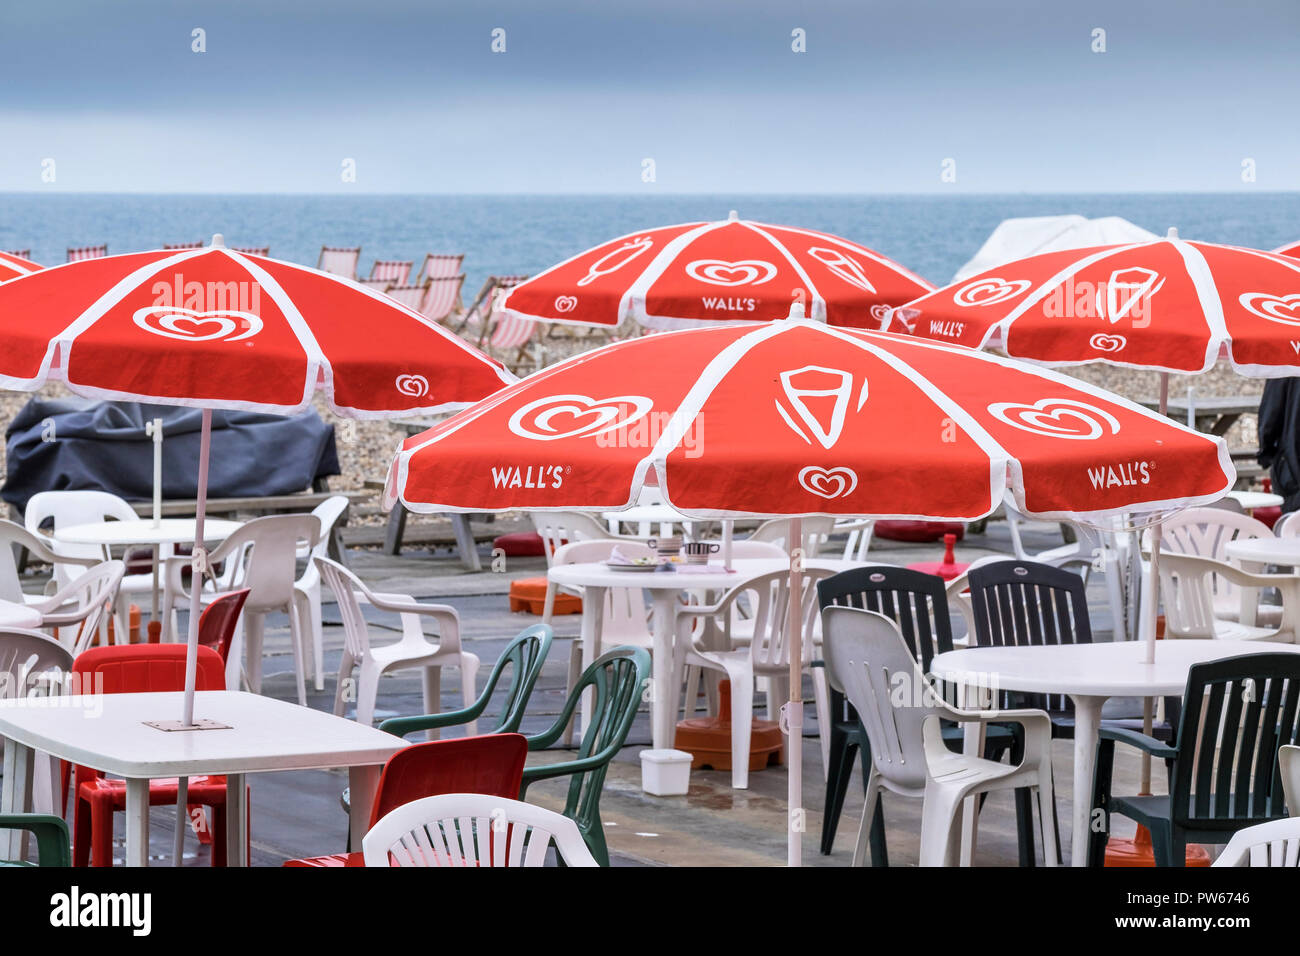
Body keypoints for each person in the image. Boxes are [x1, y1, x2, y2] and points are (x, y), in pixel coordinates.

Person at [1257, 378, 1300, 511]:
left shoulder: (1285, 362)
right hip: (1291, 461)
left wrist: (1266, 453)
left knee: (1292, 528)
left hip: (1293, 466)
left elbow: (1269, 417)